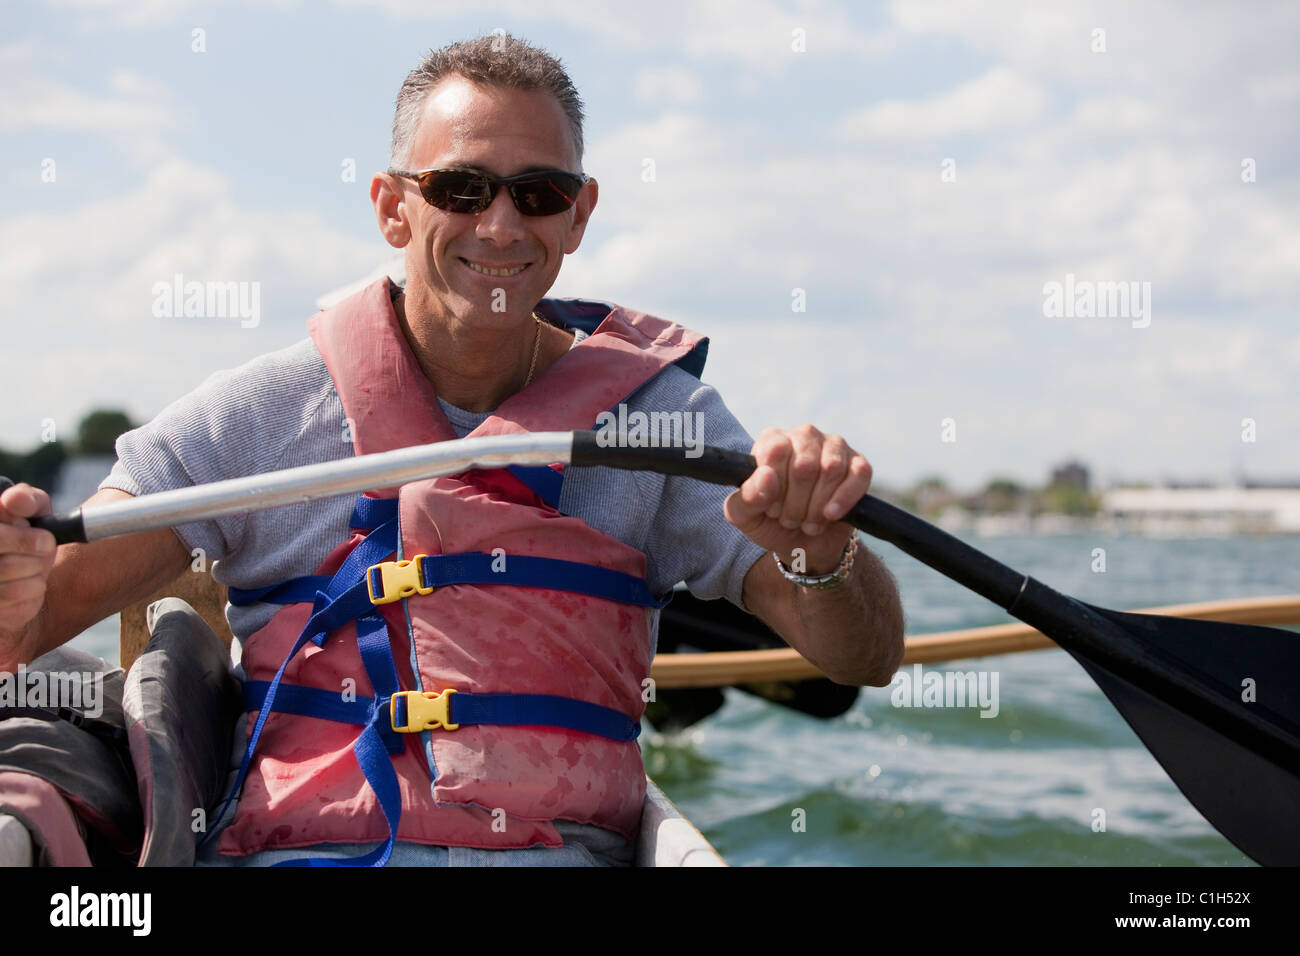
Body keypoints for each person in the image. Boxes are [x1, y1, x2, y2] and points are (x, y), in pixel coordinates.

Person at [0, 34, 904, 866]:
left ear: (579, 215)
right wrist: (17, 579)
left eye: (538, 193)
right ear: (393, 208)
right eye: (461, 189)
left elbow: (861, 658)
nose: (502, 226)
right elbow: (35, 617)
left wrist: (820, 551)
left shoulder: (665, 426)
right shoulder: (260, 417)